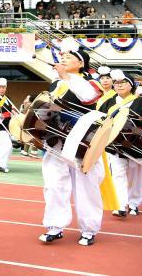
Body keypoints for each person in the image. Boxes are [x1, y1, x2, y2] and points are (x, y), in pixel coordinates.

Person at [39, 38, 106, 246]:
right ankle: (55, 225)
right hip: (56, 138)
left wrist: (67, 76)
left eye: (68, 57)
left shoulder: (91, 81)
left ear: (81, 62)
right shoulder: (57, 82)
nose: (63, 59)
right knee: (53, 183)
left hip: (82, 139)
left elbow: (87, 97)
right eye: (62, 56)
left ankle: (89, 229)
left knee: (87, 185)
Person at [98, 70, 142, 217]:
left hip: (136, 143)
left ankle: (134, 203)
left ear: (131, 85)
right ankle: (121, 205)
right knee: (118, 174)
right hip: (114, 143)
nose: (119, 85)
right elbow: (102, 121)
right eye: (116, 83)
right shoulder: (108, 102)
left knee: (137, 175)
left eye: (123, 82)